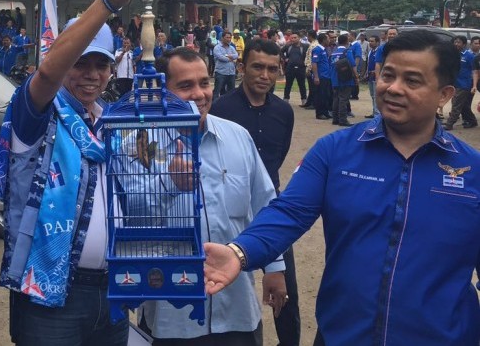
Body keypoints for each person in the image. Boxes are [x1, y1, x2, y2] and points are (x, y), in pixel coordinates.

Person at [202, 30, 480, 345]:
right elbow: (289, 211)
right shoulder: (335, 151)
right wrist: (240, 252)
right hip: (344, 335)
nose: (393, 88)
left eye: (412, 81)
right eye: (387, 75)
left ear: (444, 94)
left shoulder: (472, 171)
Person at [0, 0, 153, 346]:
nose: (91, 74)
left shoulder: (113, 123)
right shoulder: (37, 113)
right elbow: (46, 75)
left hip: (111, 289)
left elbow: (151, 177)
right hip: (51, 296)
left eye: (101, 65)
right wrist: (108, 1)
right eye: (80, 63)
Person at [139, 47, 286, 345]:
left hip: (236, 306)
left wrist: (274, 266)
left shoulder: (238, 136)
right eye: (185, 86)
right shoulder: (141, 144)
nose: (199, 94)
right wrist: (170, 184)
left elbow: (265, 204)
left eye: (204, 83)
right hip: (171, 310)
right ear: (163, 92)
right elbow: (131, 213)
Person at [209, 40, 300, 346]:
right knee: (226, 280)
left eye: (272, 69)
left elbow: (277, 159)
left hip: (270, 207)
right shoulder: (221, 109)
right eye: (257, 67)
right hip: (228, 209)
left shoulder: (284, 112)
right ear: (241, 68)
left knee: (283, 285)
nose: (264, 75)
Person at [444, 34, 477, 130]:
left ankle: (449, 124)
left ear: (464, 44)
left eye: (459, 42)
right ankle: (471, 121)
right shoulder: (454, 54)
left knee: (456, 104)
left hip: (465, 84)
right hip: (455, 83)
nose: (456, 44)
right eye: (455, 42)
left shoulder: (469, 56)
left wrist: (473, 84)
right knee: (464, 105)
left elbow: (475, 70)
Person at [329, 33, 357, 127]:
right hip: (345, 79)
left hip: (334, 78)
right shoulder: (347, 51)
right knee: (344, 99)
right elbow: (353, 65)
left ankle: (335, 119)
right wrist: (356, 76)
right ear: (346, 42)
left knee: (336, 98)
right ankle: (343, 120)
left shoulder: (334, 52)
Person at [310, 33, 332, 120]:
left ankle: (325, 112)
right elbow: (314, 63)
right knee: (320, 95)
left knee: (326, 95)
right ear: (323, 40)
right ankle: (319, 113)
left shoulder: (324, 50)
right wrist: (316, 76)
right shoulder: (317, 49)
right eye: (328, 39)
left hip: (326, 76)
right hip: (321, 76)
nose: (329, 40)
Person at [281, 33, 307, 105]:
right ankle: (286, 99)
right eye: (291, 38)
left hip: (301, 68)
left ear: (299, 38)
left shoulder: (305, 46)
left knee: (302, 85)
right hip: (290, 68)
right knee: (288, 85)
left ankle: (304, 99)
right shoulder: (288, 46)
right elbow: (280, 52)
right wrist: (285, 58)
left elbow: (309, 54)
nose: (293, 39)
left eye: (295, 37)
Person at [212, 31, 239, 101]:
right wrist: (230, 58)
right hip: (221, 73)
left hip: (231, 73)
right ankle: (214, 107)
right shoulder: (217, 48)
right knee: (217, 91)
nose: (229, 39)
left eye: (230, 37)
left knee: (231, 92)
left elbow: (236, 55)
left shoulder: (231, 48)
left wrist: (229, 56)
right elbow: (221, 58)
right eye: (227, 37)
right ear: (222, 38)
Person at [365, 35, 380, 119]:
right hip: (370, 77)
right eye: (369, 41)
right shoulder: (371, 51)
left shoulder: (379, 51)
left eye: (372, 41)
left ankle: (377, 114)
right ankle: (374, 112)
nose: (370, 43)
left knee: (376, 95)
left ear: (377, 42)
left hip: (376, 77)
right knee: (372, 95)